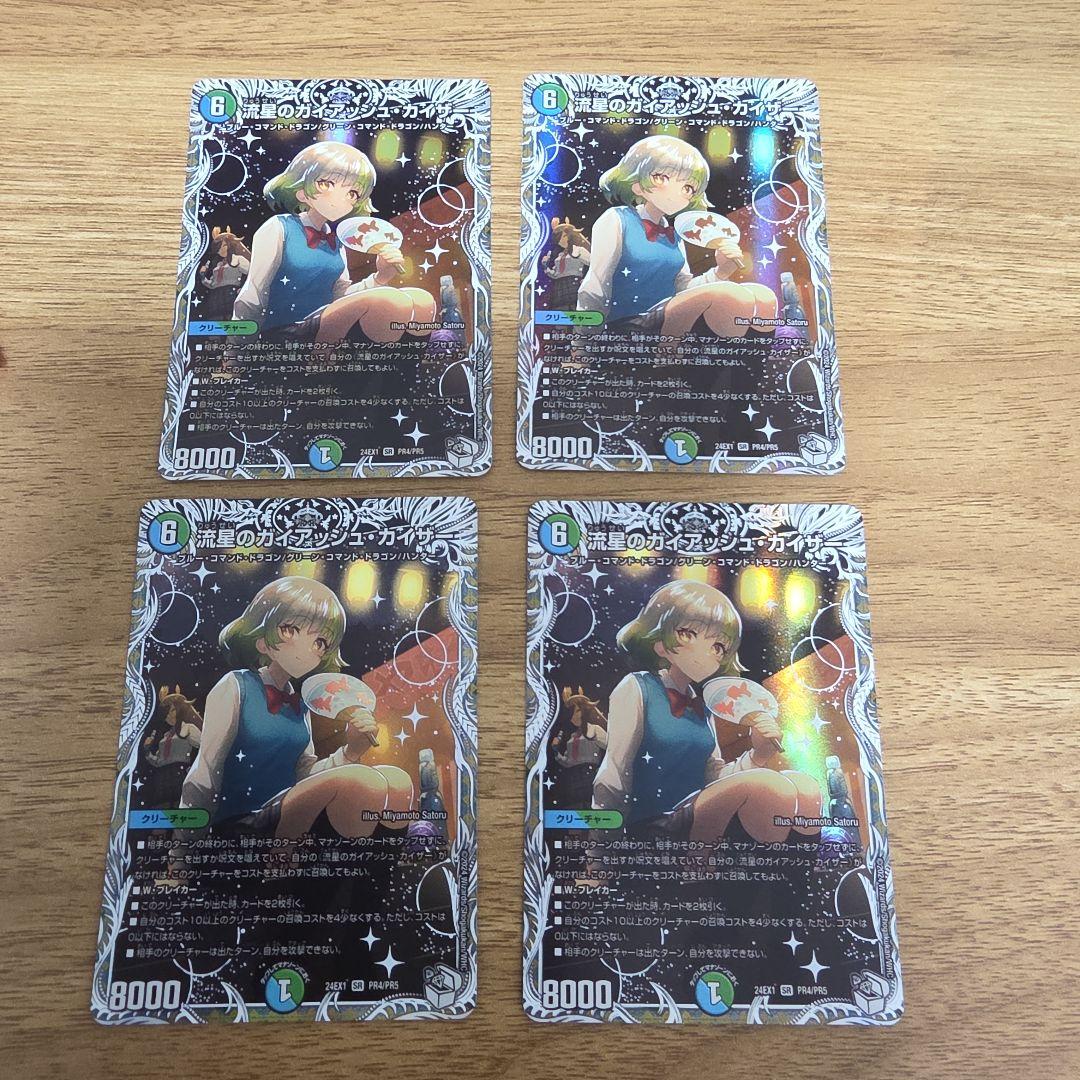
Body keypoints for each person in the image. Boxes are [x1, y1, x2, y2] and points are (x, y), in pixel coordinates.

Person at [593, 579, 821, 844]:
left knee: (805, 787)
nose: (710, 652)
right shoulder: (636, 687)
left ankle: (793, 868)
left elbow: (714, 778)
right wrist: (599, 851)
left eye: (719, 646)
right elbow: (614, 772)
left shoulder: (702, 708)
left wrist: (758, 754)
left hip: (698, 814)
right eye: (689, 633)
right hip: (653, 825)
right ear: (660, 641)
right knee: (774, 787)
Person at [232, 141, 435, 346]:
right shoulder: (278, 227)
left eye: (353, 193)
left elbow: (341, 295)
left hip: (326, 324)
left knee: (422, 300)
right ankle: (319, 362)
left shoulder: (336, 241)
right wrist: (236, 353)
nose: (341, 198)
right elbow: (253, 293)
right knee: (392, 301)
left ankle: (401, 367)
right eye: (327, 183)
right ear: (301, 190)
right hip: (283, 332)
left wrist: (381, 277)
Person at [576, 135, 777, 340]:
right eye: (662, 177)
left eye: (688, 188)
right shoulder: (617, 219)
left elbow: (684, 289)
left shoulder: (674, 235)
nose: (678, 192)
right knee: (733, 296)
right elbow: (596, 284)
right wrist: (583, 342)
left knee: (763, 297)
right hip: (627, 324)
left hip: (669, 316)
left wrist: (721, 271)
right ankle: (667, 356)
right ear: (637, 184)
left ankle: (750, 360)